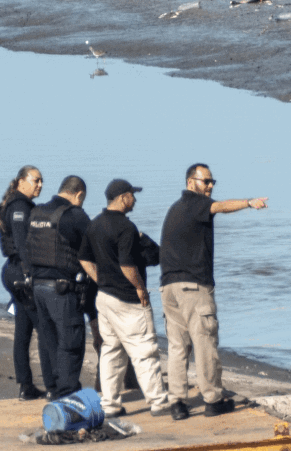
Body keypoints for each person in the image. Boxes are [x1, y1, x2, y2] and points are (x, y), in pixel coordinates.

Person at [159, 163, 267, 420]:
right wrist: (248, 203)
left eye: (212, 182)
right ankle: (212, 399)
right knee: (205, 343)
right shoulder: (195, 204)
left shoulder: (175, 208)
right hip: (193, 288)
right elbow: (220, 207)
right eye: (205, 181)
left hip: (168, 287)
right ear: (190, 182)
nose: (210, 186)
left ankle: (177, 403)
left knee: (177, 347)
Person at [78, 179, 172, 418]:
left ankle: (109, 404)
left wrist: (101, 280)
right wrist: (140, 288)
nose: (135, 199)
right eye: (132, 195)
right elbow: (128, 265)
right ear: (122, 198)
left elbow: (84, 259)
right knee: (144, 350)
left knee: (111, 350)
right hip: (128, 300)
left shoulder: (94, 224)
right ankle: (159, 401)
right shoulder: (125, 227)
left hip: (104, 297)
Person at [26, 175, 91, 399]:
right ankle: (68, 392)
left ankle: (53, 388)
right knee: (70, 341)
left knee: (48, 339)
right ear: (78, 194)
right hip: (62, 289)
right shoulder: (74, 215)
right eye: (82, 199)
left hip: (37, 287)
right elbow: (93, 247)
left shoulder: (36, 213)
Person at [0, 165, 46, 401]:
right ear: (21, 182)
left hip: (13, 272)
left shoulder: (15, 204)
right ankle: (54, 384)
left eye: (42, 181)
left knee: (23, 331)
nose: (40, 185)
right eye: (36, 180)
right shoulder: (19, 207)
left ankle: (26, 386)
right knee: (44, 329)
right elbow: (23, 244)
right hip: (19, 272)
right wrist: (29, 275)